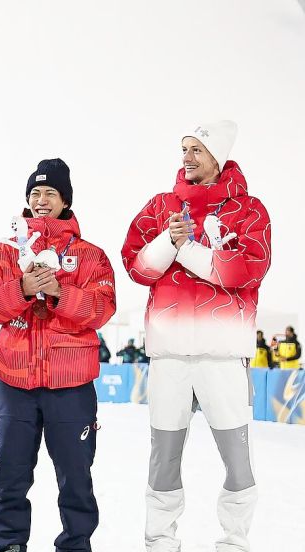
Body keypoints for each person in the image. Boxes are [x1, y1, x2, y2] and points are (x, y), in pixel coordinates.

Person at [122, 121, 271, 552]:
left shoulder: (249, 211)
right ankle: (160, 540)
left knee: (236, 459)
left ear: (217, 158)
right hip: (169, 356)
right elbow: (137, 266)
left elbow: (246, 271)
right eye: (184, 148)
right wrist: (170, 240)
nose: (186, 157)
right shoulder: (160, 206)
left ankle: (234, 541)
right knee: (163, 457)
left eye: (196, 150)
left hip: (222, 356)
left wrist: (186, 249)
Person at [0, 158, 116, 552]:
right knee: (10, 477)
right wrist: (20, 288)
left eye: (50, 193)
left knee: (76, 477)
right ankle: (7, 545)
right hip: (14, 382)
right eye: (34, 193)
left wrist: (58, 293)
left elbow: (102, 308)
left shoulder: (91, 256)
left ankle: (75, 545)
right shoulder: (2, 252)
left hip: (71, 386)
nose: (40, 200)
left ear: (65, 200)